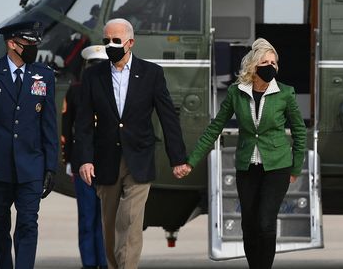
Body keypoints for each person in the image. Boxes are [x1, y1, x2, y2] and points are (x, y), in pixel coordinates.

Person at [176, 38, 307, 269]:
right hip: (247, 167)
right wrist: (191, 162)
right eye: (265, 62)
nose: (270, 67)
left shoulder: (285, 93)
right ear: (253, 66)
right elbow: (214, 128)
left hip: (277, 166)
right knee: (249, 223)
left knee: (265, 222)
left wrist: (296, 167)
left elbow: (299, 130)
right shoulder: (237, 93)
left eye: (274, 63)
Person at [74, 18, 187, 269]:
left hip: (139, 157)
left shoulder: (152, 73)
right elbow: (82, 123)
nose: (110, 45)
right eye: (106, 41)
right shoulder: (93, 76)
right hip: (106, 160)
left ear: (130, 42)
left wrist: (177, 158)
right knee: (110, 225)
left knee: (131, 220)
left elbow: (168, 117)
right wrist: (84, 159)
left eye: (116, 40)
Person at [0, 21, 58, 269]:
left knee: (28, 223)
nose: (33, 48)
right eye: (28, 43)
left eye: (35, 43)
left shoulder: (44, 75)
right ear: (12, 44)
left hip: (31, 166)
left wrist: (51, 166)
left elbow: (49, 125)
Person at [63, 45, 108, 269]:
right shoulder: (75, 91)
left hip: (108, 163)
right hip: (83, 164)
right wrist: (70, 159)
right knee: (88, 218)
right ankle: (90, 264)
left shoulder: (117, 89)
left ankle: (104, 261)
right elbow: (67, 127)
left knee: (105, 220)